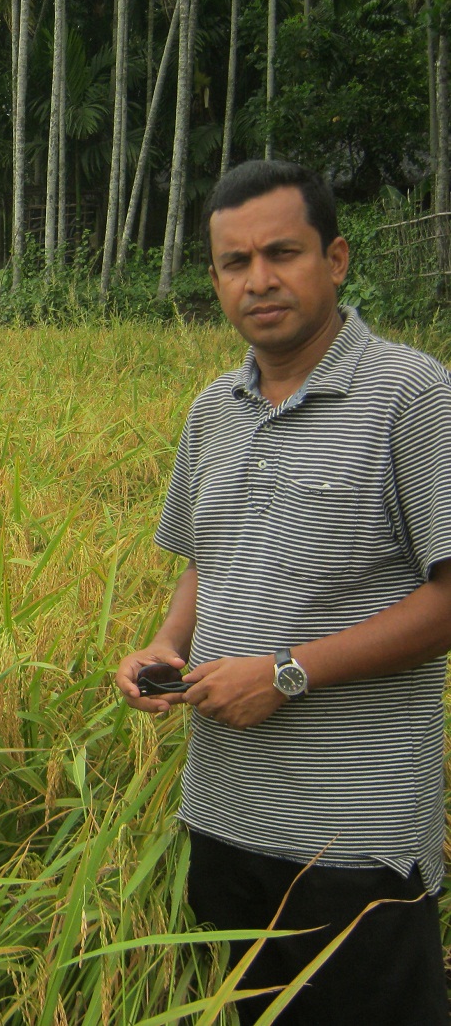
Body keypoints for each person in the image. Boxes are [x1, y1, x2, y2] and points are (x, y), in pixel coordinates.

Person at [115, 159, 451, 1024]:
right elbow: (208, 558)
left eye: (282, 253)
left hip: (354, 842)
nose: (258, 280)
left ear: (335, 259)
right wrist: (166, 645)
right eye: (235, 262)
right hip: (224, 817)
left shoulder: (414, 397)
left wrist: (287, 671)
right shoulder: (213, 409)